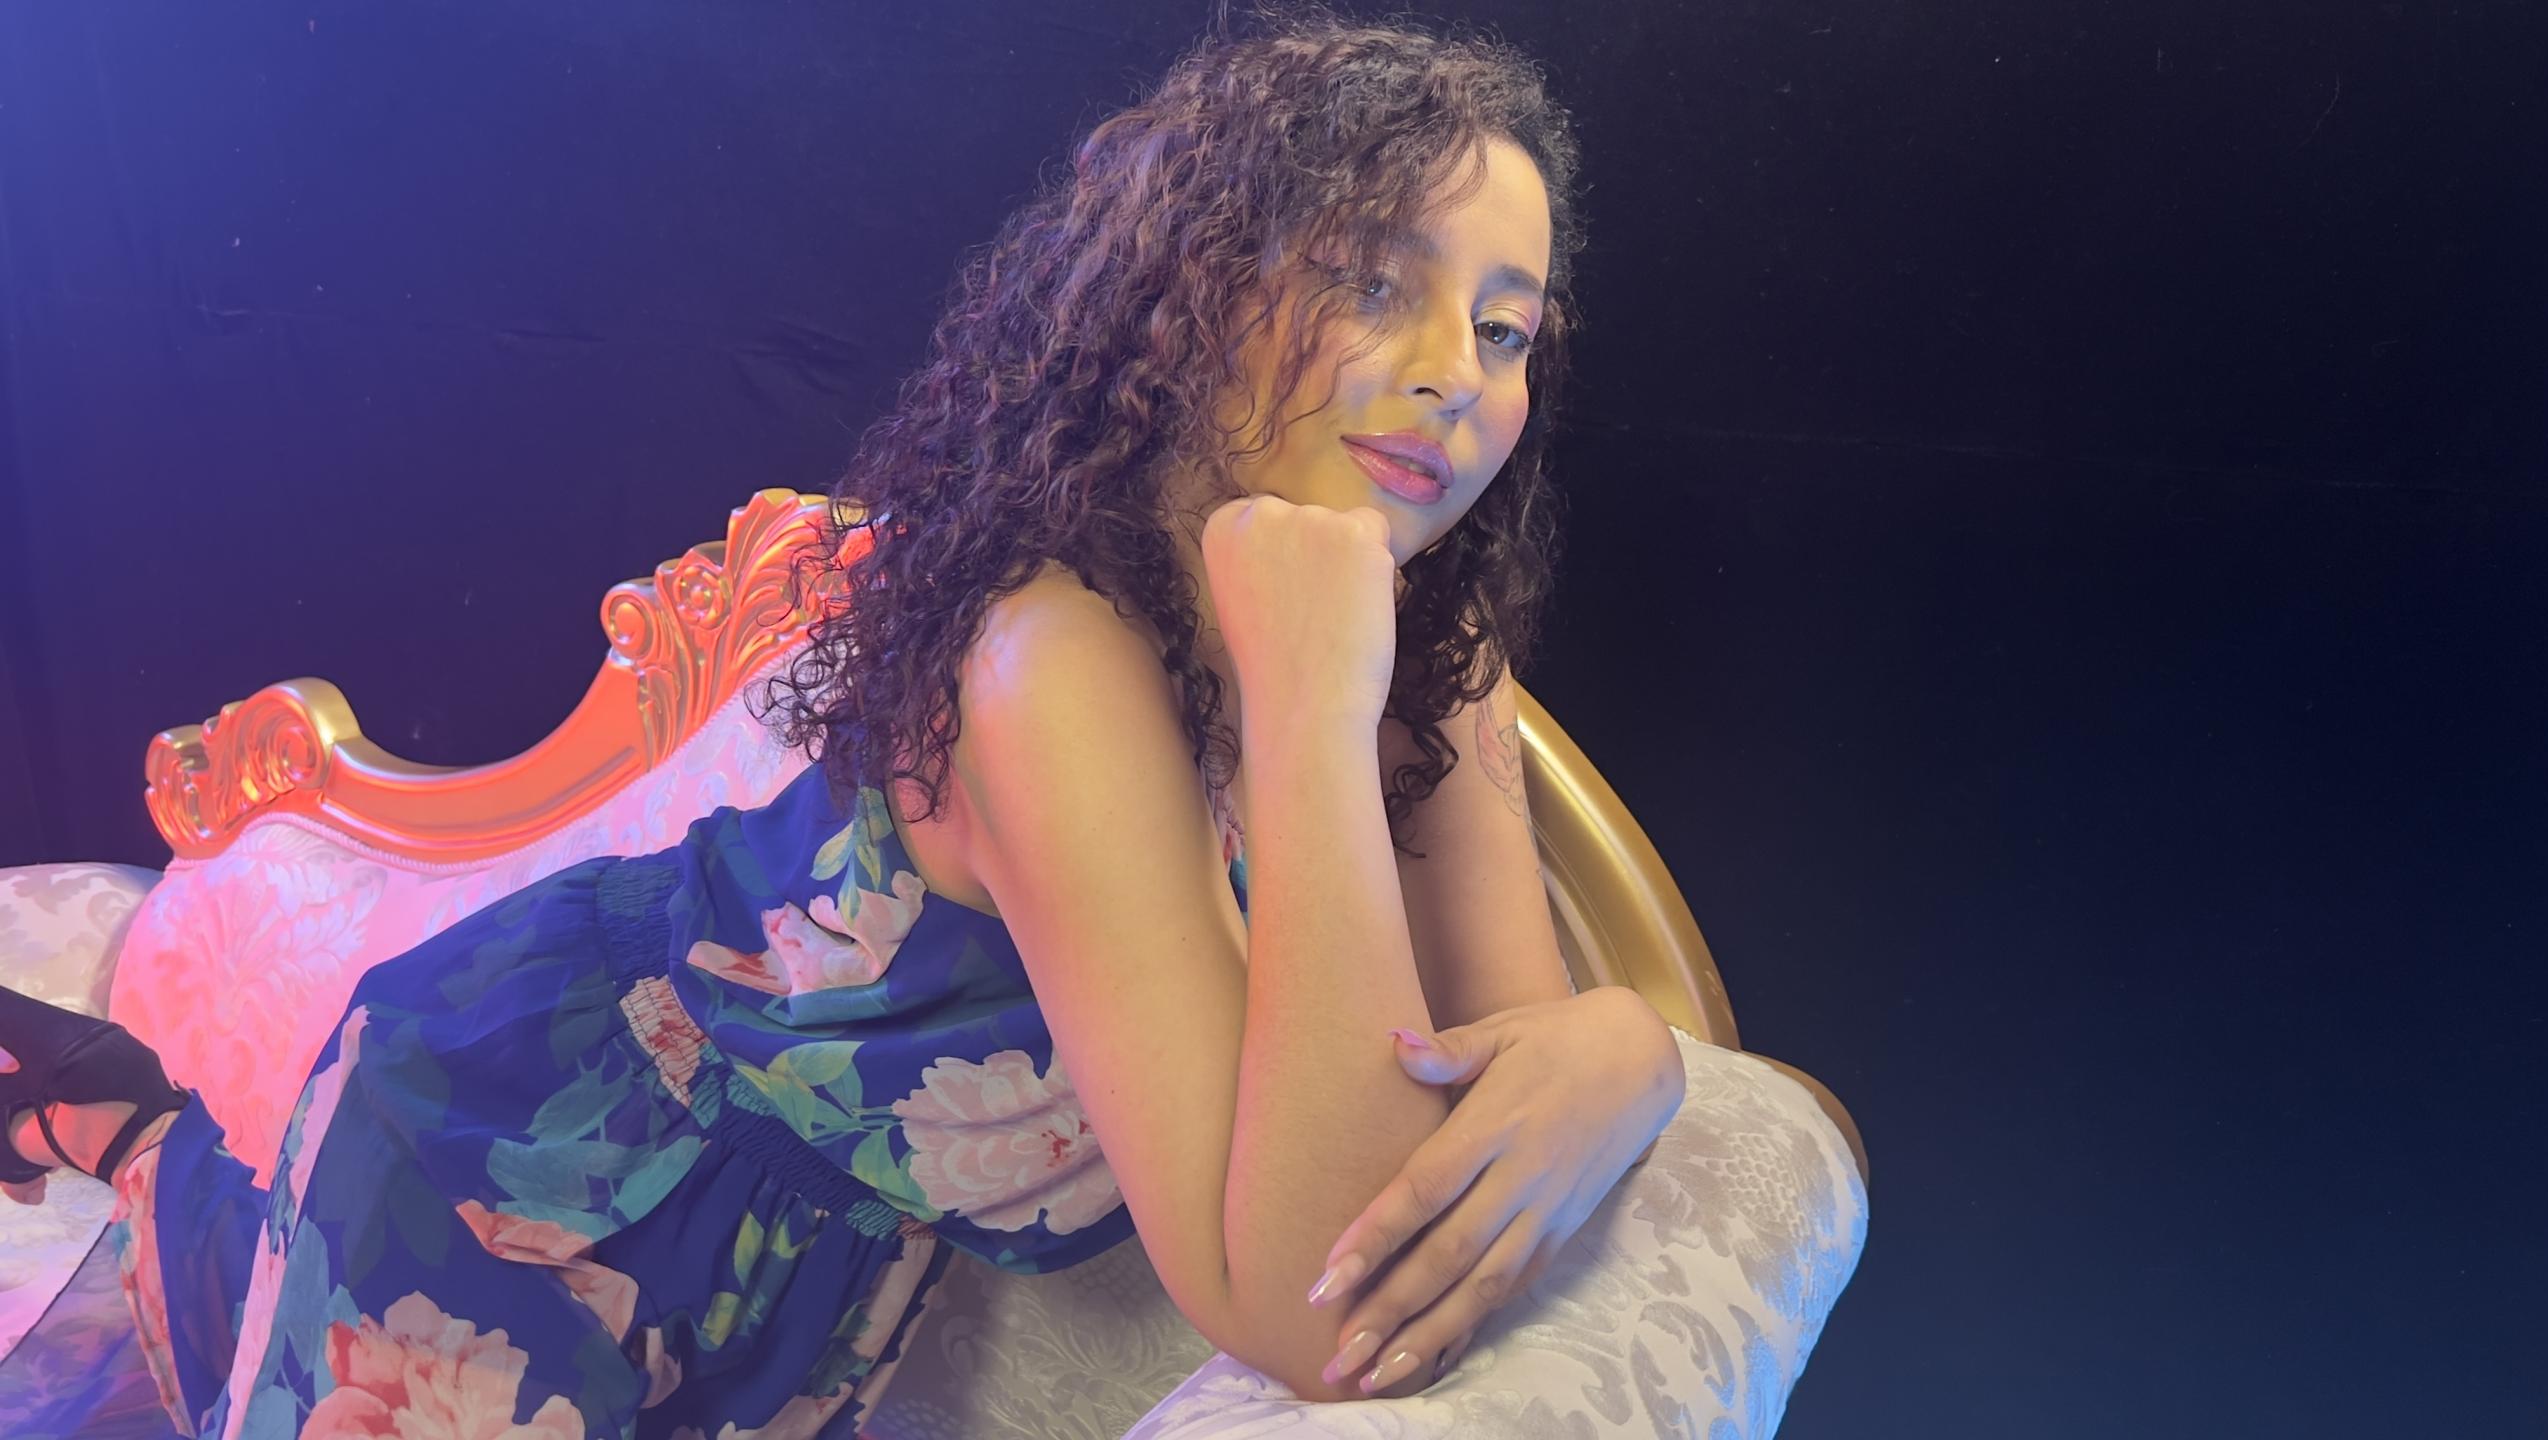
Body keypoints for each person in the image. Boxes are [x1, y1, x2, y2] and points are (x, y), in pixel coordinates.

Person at [0, 7, 1814, 1435]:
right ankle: (121, 1122)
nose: (1449, 375)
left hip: (790, 1257)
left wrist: (1628, 1054)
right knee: (207, 1302)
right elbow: (1315, 1305)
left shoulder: (1428, 654)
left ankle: (115, 1127)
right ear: (1195, 289)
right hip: (505, 1153)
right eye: (1372, 282)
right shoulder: (1054, 655)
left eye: (1505, 330)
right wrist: (1312, 705)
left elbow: (1522, 1066)